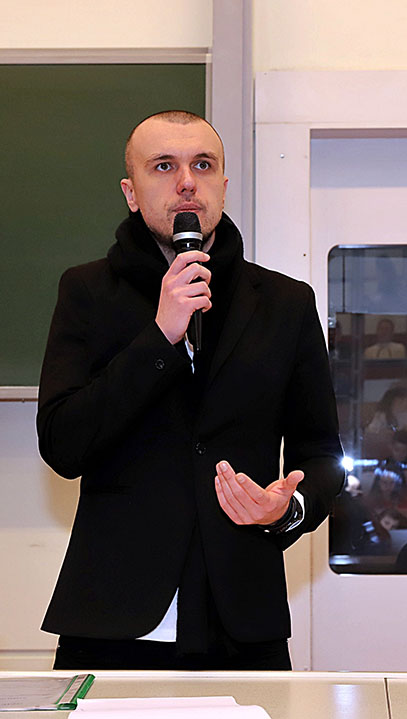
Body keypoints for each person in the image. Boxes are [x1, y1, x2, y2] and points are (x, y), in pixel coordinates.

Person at [36, 111, 344, 671]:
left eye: (203, 165)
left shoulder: (285, 304)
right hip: (112, 619)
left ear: (222, 186)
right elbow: (63, 444)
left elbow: (322, 454)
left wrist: (286, 508)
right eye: (163, 166)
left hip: (243, 622)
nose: (186, 182)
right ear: (131, 193)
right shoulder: (86, 292)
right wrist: (160, 337)